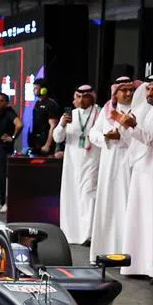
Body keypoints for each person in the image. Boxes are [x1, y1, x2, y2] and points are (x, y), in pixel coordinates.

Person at [114, 74, 153, 283]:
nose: (150, 93)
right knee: (139, 219)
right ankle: (138, 264)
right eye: (148, 89)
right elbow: (134, 140)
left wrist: (133, 126)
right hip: (141, 172)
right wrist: (123, 125)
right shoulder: (144, 110)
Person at [89, 76, 139, 259]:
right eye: (123, 90)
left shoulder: (140, 109)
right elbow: (93, 133)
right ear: (115, 93)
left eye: (130, 90)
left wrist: (123, 137)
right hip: (109, 165)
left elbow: (146, 138)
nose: (128, 93)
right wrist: (106, 137)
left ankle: (128, 253)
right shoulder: (108, 111)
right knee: (108, 205)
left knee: (127, 205)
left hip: (130, 164)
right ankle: (105, 252)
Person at [52, 84, 101, 245]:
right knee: (72, 195)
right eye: (78, 96)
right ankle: (72, 233)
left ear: (91, 97)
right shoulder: (70, 115)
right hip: (72, 162)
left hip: (92, 160)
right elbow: (57, 138)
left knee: (88, 195)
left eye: (85, 96)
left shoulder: (99, 113)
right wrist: (62, 125)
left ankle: (88, 235)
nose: (81, 100)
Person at [0, 93, 22, 205]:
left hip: (3, 148)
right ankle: (1, 199)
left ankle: (5, 201)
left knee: (3, 174)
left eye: (1, 101)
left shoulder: (9, 113)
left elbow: (19, 124)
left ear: (6, 102)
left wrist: (12, 137)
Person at [27, 77, 61, 155]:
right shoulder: (37, 103)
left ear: (43, 90)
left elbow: (53, 126)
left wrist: (47, 145)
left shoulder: (51, 104)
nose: (33, 90)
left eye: (36, 88)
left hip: (46, 141)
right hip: (36, 141)